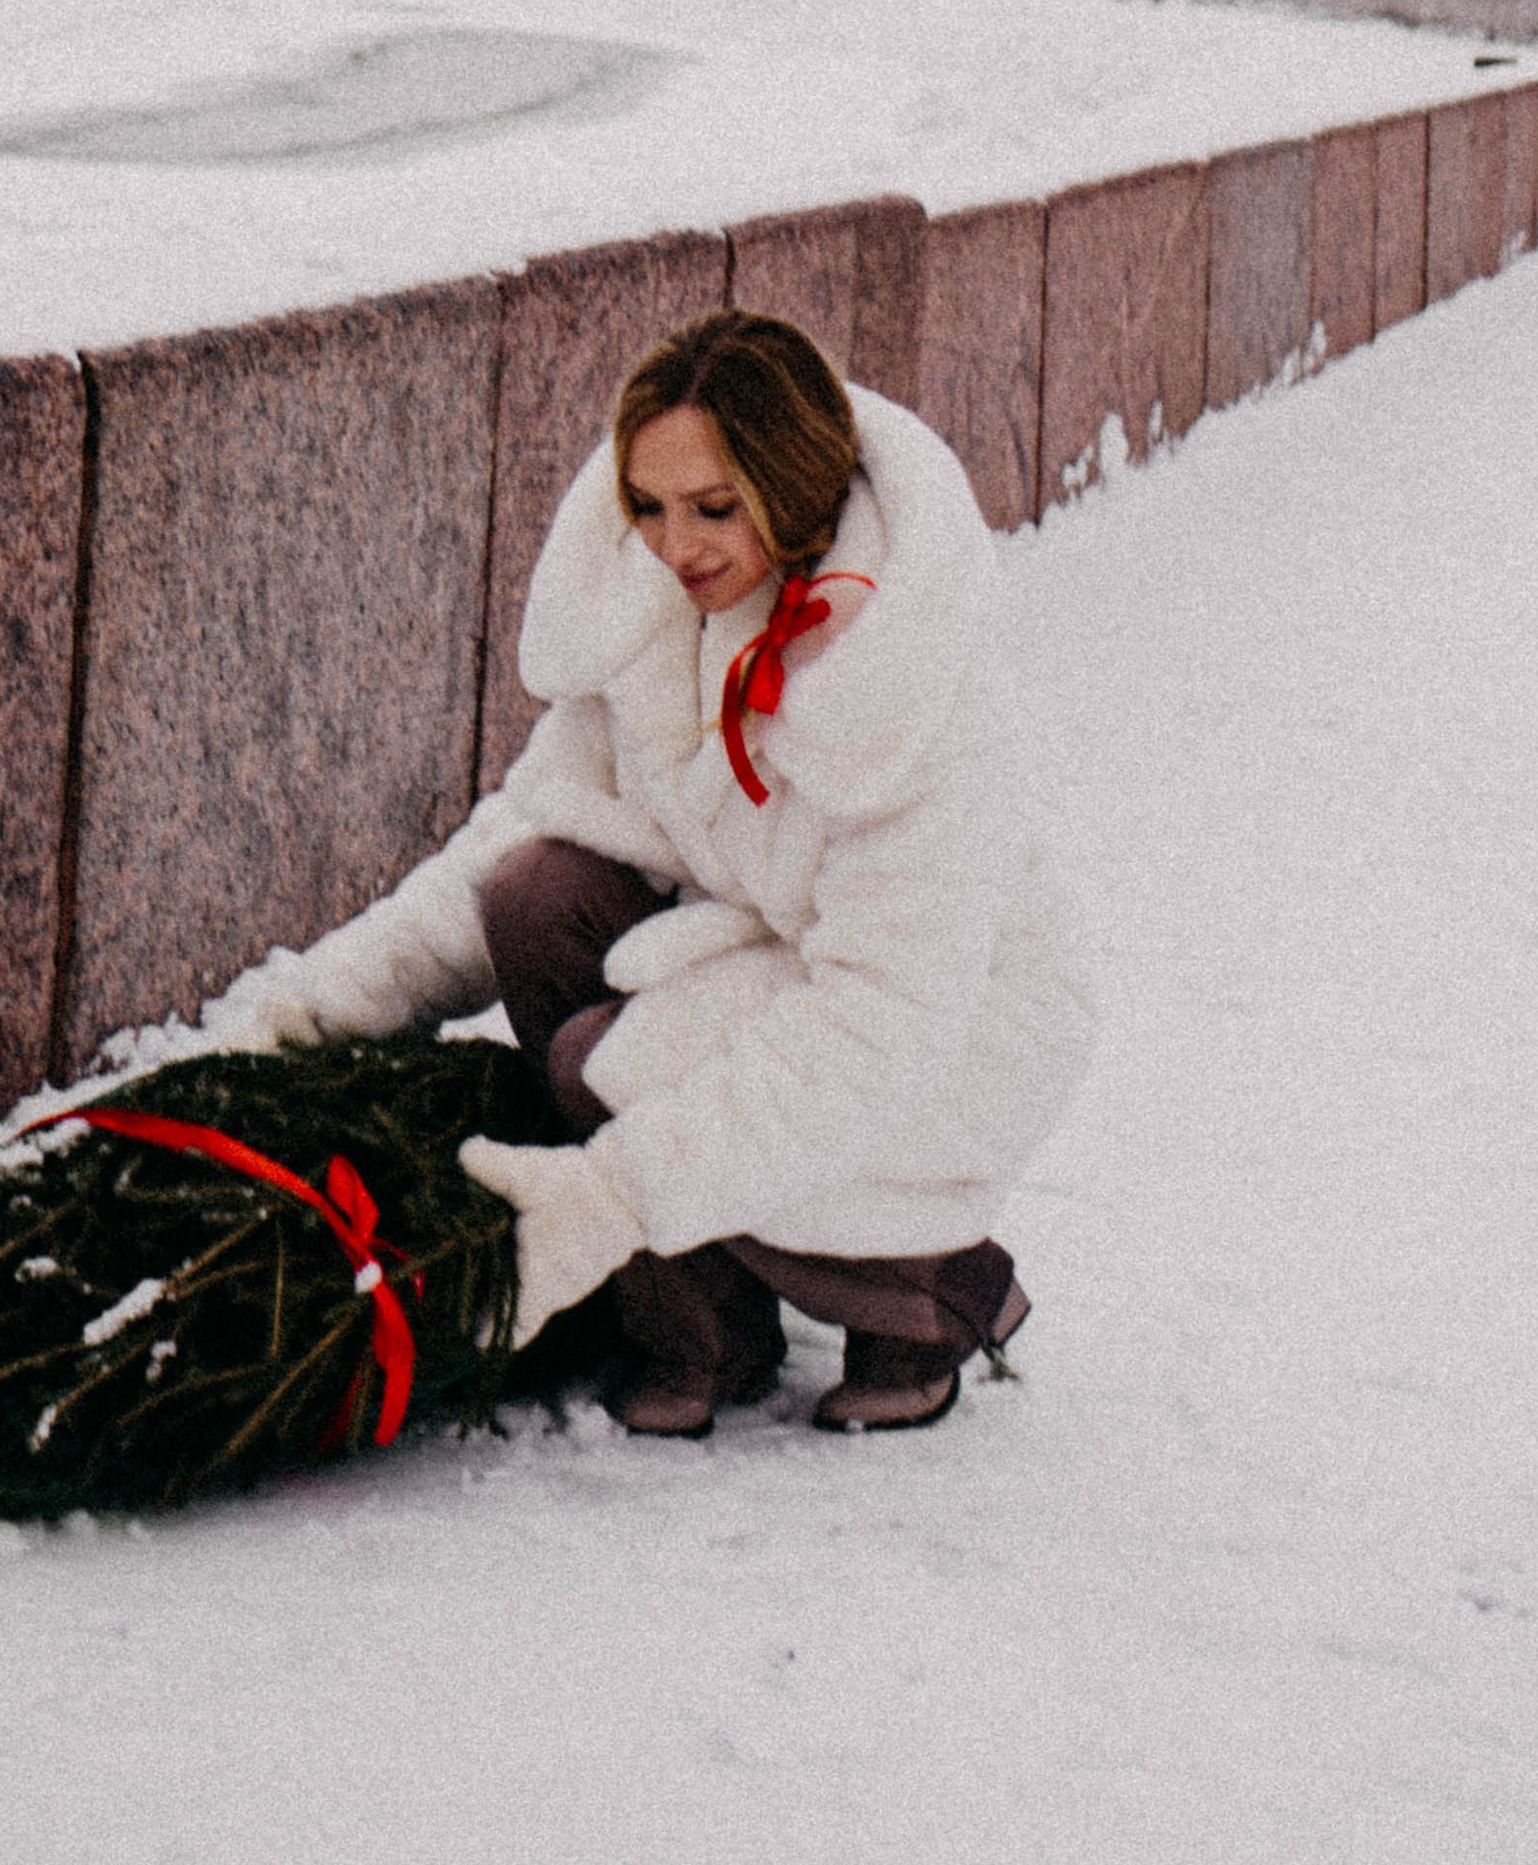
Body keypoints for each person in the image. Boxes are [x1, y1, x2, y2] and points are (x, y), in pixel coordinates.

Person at [202, 309, 1093, 1436]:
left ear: (791, 486)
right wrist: (312, 1016)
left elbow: (880, 1022)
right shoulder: (664, 612)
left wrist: (613, 1195)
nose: (677, 547)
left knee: (607, 1062)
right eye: (648, 507)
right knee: (534, 895)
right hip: (771, 958)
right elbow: (511, 839)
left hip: (952, 1029)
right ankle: (706, 1327)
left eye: (715, 509)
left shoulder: (914, 689)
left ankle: (930, 1291)